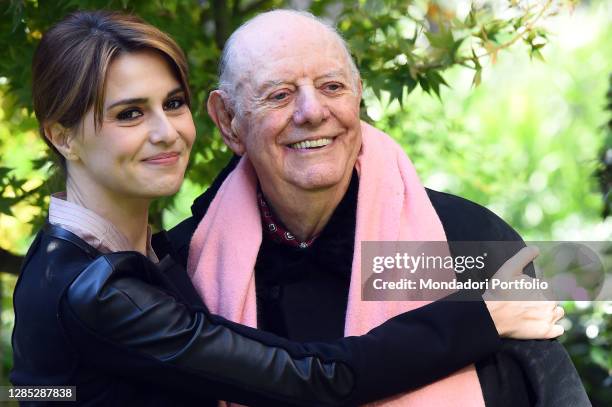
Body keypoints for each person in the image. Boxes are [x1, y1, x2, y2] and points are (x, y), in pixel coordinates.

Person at [10, 9, 565, 407]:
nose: (166, 133)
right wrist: (479, 318)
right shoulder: (109, 283)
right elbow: (311, 378)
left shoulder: (464, 235)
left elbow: (571, 302)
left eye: (172, 104)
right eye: (129, 114)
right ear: (229, 122)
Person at [173, 9, 590, 407]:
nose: (312, 111)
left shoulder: (466, 239)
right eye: (279, 95)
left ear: (357, 95)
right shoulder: (189, 262)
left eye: (332, 87)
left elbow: (555, 391)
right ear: (228, 120)